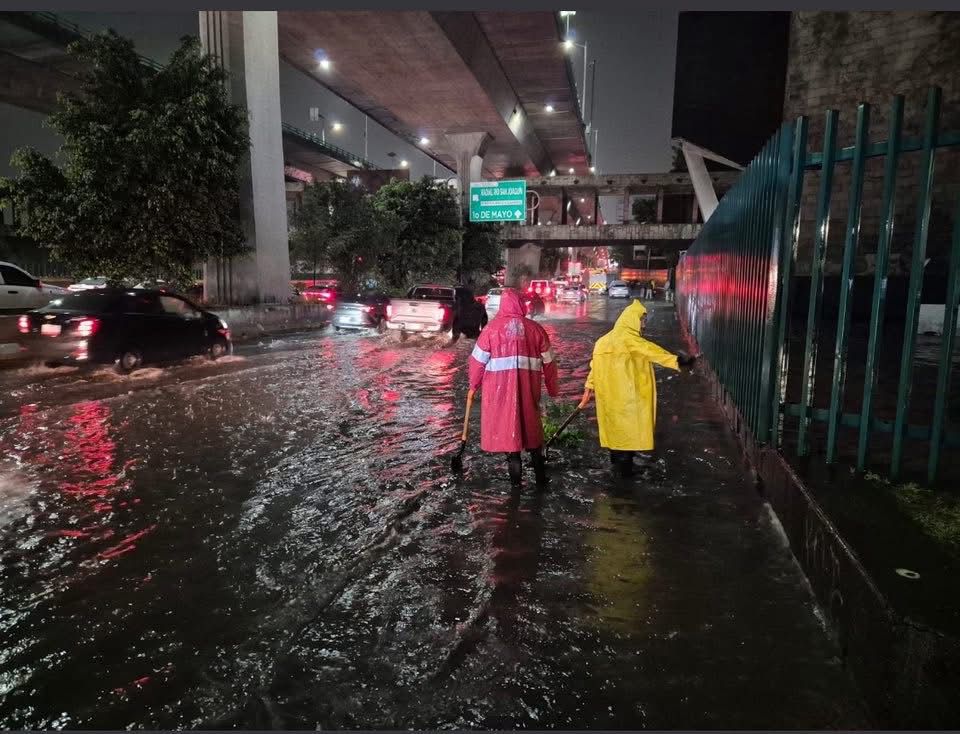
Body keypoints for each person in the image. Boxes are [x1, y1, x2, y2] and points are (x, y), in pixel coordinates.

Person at [578, 300, 696, 477]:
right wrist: (680, 362)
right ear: (632, 319)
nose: (643, 324)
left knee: (615, 437)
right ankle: (625, 484)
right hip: (629, 402)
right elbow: (653, 352)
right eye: (642, 320)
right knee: (627, 438)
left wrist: (588, 389)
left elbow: (594, 368)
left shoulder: (602, 342)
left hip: (608, 402)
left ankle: (616, 472)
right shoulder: (630, 340)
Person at [468, 288, 559, 488]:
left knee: (511, 441)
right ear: (521, 304)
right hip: (529, 393)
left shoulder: (490, 330)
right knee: (533, 437)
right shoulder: (536, 330)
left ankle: (515, 489)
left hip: (499, 396)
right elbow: (550, 363)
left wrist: (473, 386)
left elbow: (476, 362)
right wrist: (553, 389)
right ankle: (541, 481)